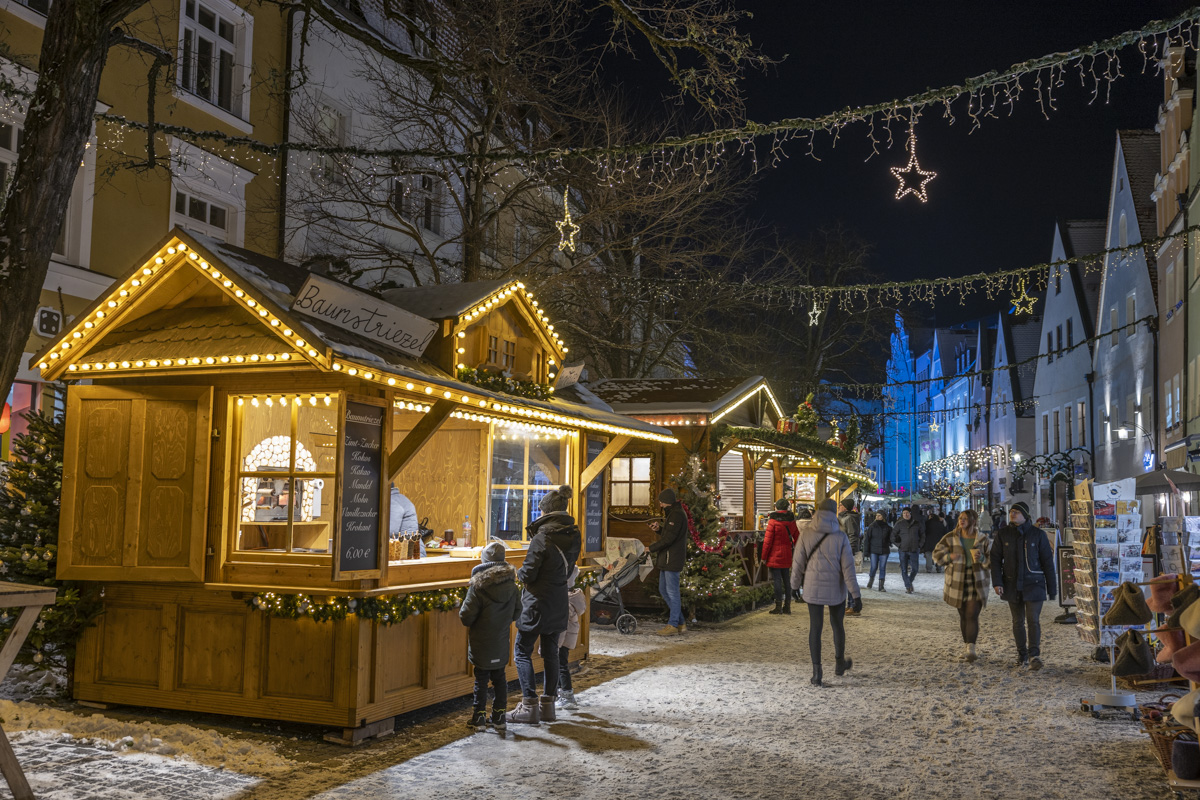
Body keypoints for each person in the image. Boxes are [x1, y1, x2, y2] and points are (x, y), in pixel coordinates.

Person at [509, 485, 579, 724]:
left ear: (546, 512)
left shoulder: (542, 537)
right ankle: (548, 705)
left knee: (522, 651)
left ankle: (529, 704)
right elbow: (568, 569)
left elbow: (528, 574)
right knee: (551, 653)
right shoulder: (573, 534)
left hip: (537, 601)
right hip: (558, 599)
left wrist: (518, 573)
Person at [792, 498, 863, 687]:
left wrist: (793, 586)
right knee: (837, 625)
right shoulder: (840, 536)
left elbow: (798, 562)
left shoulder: (806, 534)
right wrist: (856, 595)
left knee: (815, 628)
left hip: (812, 587)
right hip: (835, 589)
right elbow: (848, 569)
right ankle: (839, 664)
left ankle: (817, 673)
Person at [459, 541, 520, 735]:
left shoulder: (478, 586)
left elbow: (465, 616)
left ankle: (478, 717)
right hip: (501, 640)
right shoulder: (512, 586)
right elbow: (517, 611)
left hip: (481, 642)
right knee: (500, 679)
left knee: (481, 680)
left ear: (484, 561)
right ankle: (500, 716)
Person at [990, 501, 1056, 671]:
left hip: (1034, 584)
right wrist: (997, 582)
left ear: (1025, 515)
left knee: (1033, 620)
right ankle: (1022, 655)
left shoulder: (1038, 535)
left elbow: (1048, 562)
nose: (1013, 514)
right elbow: (995, 560)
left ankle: (1034, 654)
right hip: (1012, 584)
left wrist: (1052, 589)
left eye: (1017, 512)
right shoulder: (1003, 534)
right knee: (1017, 621)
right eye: (1011, 511)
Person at [932, 510, 992, 663]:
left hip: (976, 581)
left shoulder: (983, 539)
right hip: (957, 581)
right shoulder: (951, 537)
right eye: (960, 518)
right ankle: (967, 647)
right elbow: (936, 555)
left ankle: (971, 650)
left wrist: (983, 557)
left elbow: (993, 561)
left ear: (973, 521)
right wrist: (948, 557)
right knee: (963, 614)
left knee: (972, 614)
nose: (961, 521)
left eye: (965, 518)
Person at [649, 488, 689, 636]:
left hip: (672, 558)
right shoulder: (673, 514)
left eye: (661, 502)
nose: (660, 505)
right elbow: (669, 534)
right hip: (667, 559)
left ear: (666, 502)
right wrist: (659, 529)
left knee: (672, 592)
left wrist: (650, 548)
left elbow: (669, 540)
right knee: (664, 590)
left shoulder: (676, 515)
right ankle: (680, 623)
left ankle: (673, 624)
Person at [556, 566, 588, 710]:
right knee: (559, 665)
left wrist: (554, 643)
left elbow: (561, 625)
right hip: (568, 637)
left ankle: (567, 695)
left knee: (561, 665)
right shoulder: (575, 597)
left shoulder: (564, 600)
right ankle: (559, 693)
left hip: (561, 639)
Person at [762, 499, 800, 615]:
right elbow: (797, 537)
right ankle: (787, 606)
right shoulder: (791, 521)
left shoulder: (773, 521)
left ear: (776, 507)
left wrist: (763, 557)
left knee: (777, 580)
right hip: (787, 554)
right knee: (787, 580)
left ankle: (778, 606)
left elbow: (767, 542)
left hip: (775, 554)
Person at [891, 506, 924, 594]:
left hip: (914, 549)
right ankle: (908, 586)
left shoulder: (917, 523)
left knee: (915, 569)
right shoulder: (899, 524)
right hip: (903, 549)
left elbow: (922, 535)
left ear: (910, 514)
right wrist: (899, 545)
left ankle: (908, 582)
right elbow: (892, 536)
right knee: (904, 569)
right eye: (904, 513)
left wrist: (919, 545)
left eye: (907, 513)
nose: (905, 514)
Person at [863, 511, 893, 591]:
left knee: (882, 567)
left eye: (879, 515)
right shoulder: (872, 526)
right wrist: (866, 551)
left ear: (883, 517)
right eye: (876, 515)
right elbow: (867, 540)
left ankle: (881, 585)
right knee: (873, 567)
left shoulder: (888, 527)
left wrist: (890, 542)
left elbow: (891, 538)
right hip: (874, 550)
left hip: (884, 550)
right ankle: (871, 581)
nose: (877, 517)